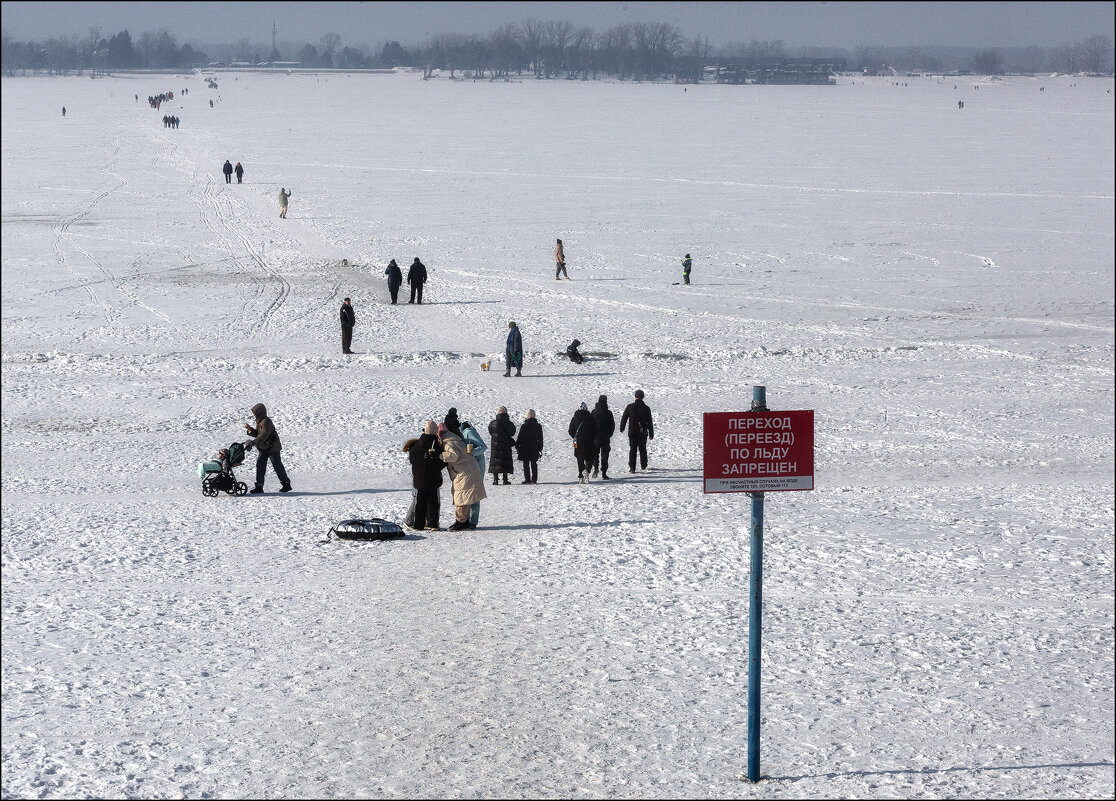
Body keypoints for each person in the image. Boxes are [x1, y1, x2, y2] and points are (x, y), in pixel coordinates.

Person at [439, 423, 487, 530]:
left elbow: (454, 455)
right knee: (467, 496)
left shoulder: (466, 433)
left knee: (464, 497)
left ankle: (464, 521)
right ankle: (465, 521)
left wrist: (440, 456)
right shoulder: (455, 438)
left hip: (470, 469)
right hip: (468, 469)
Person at [244, 403, 291, 493]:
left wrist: (253, 443)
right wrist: (250, 429)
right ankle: (259, 486)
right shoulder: (260, 421)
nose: (253, 415)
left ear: (260, 412)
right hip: (264, 447)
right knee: (260, 465)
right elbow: (258, 434)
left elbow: (264, 435)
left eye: (255, 413)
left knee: (277, 466)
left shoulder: (266, 421)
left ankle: (286, 484)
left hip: (272, 447)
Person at [408, 421, 447, 531]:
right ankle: (432, 524)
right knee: (433, 503)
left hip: (419, 479)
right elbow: (439, 463)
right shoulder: (434, 444)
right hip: (433, 479)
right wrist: (445, 462)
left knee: (420, 503)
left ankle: (418, 525)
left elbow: (412, 460)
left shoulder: (416, 445)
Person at [402, 438, 441, 530]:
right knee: (418, 502)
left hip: (419, 481)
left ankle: (421, 521)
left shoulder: (414, 452)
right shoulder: (417, 452)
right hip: (421, 481)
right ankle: (409, 521)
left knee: (420, 501)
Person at [619, 389, 655, 473]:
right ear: (643, 397)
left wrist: (622, 427)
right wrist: (651, 434)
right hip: (643, 432)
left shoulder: (630, 407)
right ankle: (643, 465)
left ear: (635, 397)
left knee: (633, 449)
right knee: (643, 449)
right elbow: (649, 421)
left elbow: (624, 418)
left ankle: (632, 468)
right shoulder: (646, 408)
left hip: (632, 431)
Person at [460, 421, 488, 524]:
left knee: (474, 492)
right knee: (470, 492)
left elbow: (483, 447)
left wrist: (473, 452)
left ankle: (473, 521)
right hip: (472, 464)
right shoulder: (463, 432)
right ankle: (469, 519)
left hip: (477, 465)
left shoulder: (469, 432)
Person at [569, 402, 598, 483]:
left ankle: (581, 477)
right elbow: (595, 430)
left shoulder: (574, 418)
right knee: (590, 457)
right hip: (589, 441)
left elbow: (570, 430)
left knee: (580, 458)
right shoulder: (590, 418)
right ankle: (587, 470)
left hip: (578, 441)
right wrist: (592, 438)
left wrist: (575, 437)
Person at [488, 405, 517, 485]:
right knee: (505, 460)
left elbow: (490, 432)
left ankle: (495, 480)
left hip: (495, 446)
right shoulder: (509, 423)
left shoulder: (493, 423)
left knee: (495, 461)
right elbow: (512, 432)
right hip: (506, 445)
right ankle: (505, 480)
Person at [590, 394, 615, 479]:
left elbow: (590, 424)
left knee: (595, 454)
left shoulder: (593, 412)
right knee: (605, 455)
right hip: (605, 437)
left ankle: (596, 468)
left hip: (595, 437)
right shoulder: (608, 413)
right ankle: (604, 473)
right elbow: (612, 425)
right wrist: (610, 434)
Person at [515, 409, 543, 484]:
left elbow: (520, 437)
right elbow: (540, 438)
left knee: (526, 464)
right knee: (534, 463)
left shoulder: (524, 426)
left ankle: (527, 479)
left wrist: (517, 445)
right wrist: (540, 448)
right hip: (535, 447)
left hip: (525, 447)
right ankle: (534, 479)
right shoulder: (538, 426)